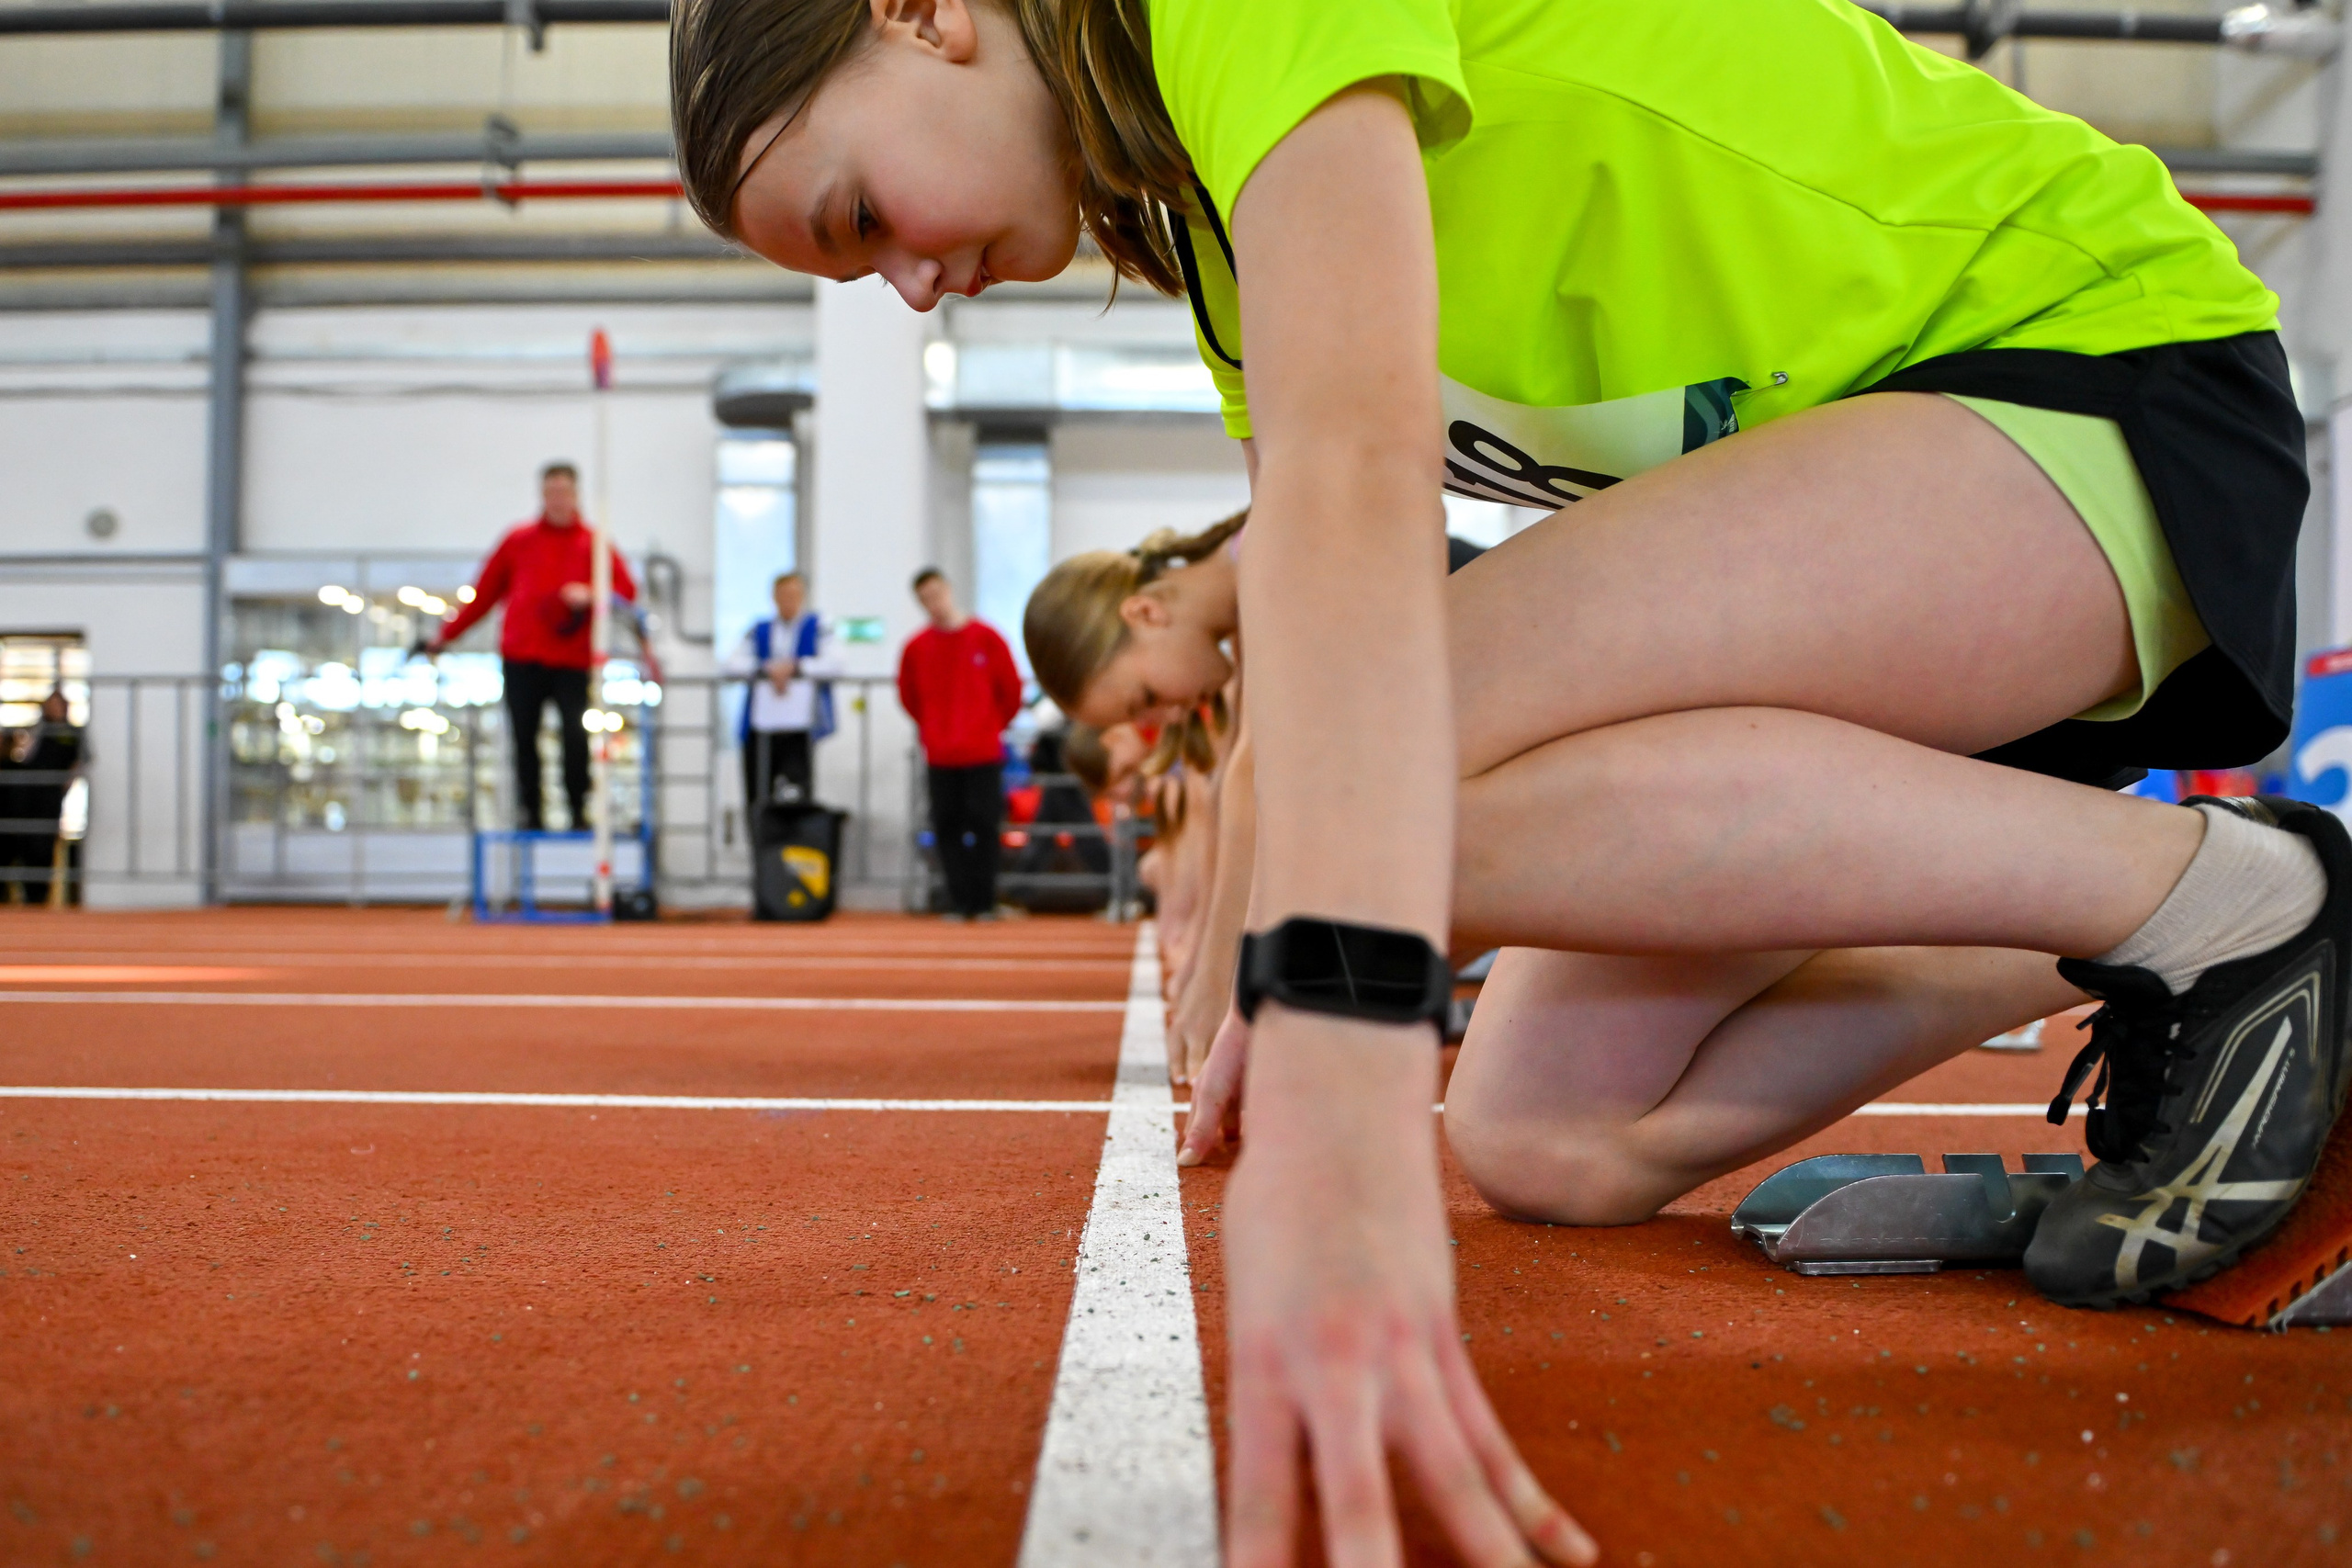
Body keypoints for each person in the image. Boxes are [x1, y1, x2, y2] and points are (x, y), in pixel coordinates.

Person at [673, 1, 2341, 1562]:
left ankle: (2251, 911)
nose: (898, 288)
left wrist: (1335, 1051)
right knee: (1547, 1134)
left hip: (2088, 377)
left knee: (1404, 747)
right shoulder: (1220, 255)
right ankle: (2154, 932)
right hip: (1920, 530)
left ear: (918, 8)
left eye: (853, 219)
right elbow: (1300, 667)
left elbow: (1356, 490)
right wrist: (1275, 961)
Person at [424, 462, 639, 832]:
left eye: (564, 492)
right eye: (551, 492)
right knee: (524, 739)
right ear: (543, 495)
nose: (558, 500)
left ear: (575, 495)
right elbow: (484, 595)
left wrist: (591, 594)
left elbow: (627, 593)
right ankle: (532, 812)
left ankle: (577, 810)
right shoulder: (518, 541)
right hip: (522, 658)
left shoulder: (594, 543)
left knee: (576, 736)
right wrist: (445, 636)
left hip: (572, 660)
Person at [896, 568, 1023, 919]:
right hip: (940, 752)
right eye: (925, 598)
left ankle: (984, 901)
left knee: (984, 823)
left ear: (949, 590)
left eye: (936, 593)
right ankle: (959, 900)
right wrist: (934, 729)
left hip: (982, 749)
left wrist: (992, 725)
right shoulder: (916, 647)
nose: (933, 602)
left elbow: (1010, 689)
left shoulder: (986, 638)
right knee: (947, 825)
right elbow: (909, 696)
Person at [721, 570, 841, 813]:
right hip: (761, 726)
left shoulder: (819, 627)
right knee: (757, 795)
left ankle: (796, 845)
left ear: (802, 596)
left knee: (797, 795)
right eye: (783, 595)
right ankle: (761, 846)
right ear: (774, 597)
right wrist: (767, 669)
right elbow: (730, 664)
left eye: (794, 594)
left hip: (799, 728)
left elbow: (837, 663)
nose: (788, 600)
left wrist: (796, 667)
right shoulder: (759, 630)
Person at [0, 690, 82, 907]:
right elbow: (20, 755)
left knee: (41, 848)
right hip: (19, 800)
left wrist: (63, 787)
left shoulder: (72, 733)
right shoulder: (34, 729)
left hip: (47, 799)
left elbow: (78, 764)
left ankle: (36, 899)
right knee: (12, 845)